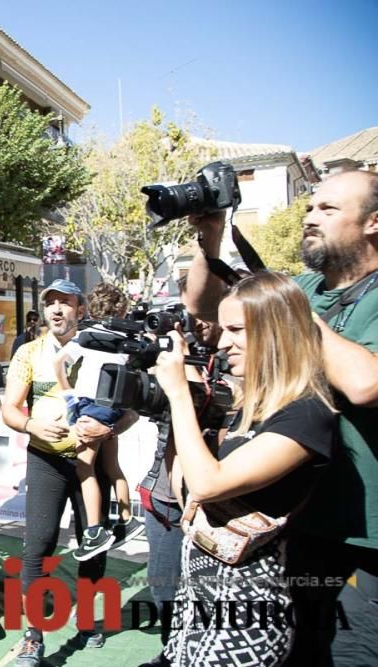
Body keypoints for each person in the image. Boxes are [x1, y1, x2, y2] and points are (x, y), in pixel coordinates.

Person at [182, 171, 378, 665]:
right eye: (311, 207)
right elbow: (205, 305)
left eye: (329, 209)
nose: (311, 217)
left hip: (362, 536)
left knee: (347, 656)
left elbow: (365, 384)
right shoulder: (307, 286)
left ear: (374, 221)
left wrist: (292, 316)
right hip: (290, 526)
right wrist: (209, 235)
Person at [154, 271, 336, 665]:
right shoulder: (247, 409)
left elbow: (207, 483)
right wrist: (174, 412)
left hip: (246, 616)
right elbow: (184, 487)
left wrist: (180, 398)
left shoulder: (306, 413)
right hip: (196, 606)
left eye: (236, 329)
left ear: (276, 330)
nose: (222, 343)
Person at [2, 278, 137, 666]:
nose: (57, 309)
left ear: (81, 310)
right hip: (45, 459)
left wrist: (109, 427)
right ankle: (33, 636)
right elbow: (11, 408)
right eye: (51, 303)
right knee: (38, 546)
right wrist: (31, 426)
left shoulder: (106, 345)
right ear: (44, 311)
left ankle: (86, 616)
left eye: (66, 302)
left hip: (91, 463)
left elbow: (131, 410)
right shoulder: (29, 352)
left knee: (93, 543)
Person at [139, 274, 224, 667]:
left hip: (219, 507)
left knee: (210, 601)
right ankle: (171, 651)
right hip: (165, 498)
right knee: (164, 592)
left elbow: (210, 408)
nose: (196, 323)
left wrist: (185, 377)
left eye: (205, 314)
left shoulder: (238, 359)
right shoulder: (170, 355)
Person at [52, 282, 144, 561]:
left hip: (92, 407)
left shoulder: (88, 334)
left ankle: (94, 531)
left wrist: (69, 395)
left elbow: (59, 363)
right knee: (112, 466)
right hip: (114, 406)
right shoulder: (128, 338)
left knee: (84, 468)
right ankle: (127, 518)